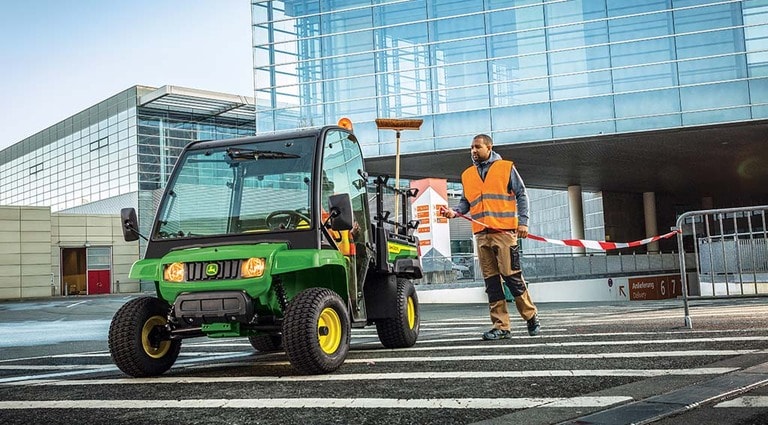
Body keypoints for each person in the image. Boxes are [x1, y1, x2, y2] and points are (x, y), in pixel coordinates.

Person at [442, 134, 540, 340]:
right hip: (482, 235)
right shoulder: (467, 175)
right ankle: (501, 326)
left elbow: (522, 194)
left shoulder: (505, 168)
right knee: (492, 282)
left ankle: (531, 316)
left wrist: (523, 222)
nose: (473, 151)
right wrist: (454, 212)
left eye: (477, 147)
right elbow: (465, 203)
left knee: (511, 277)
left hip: (504, 233)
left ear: (489, 147)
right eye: (471, 148)